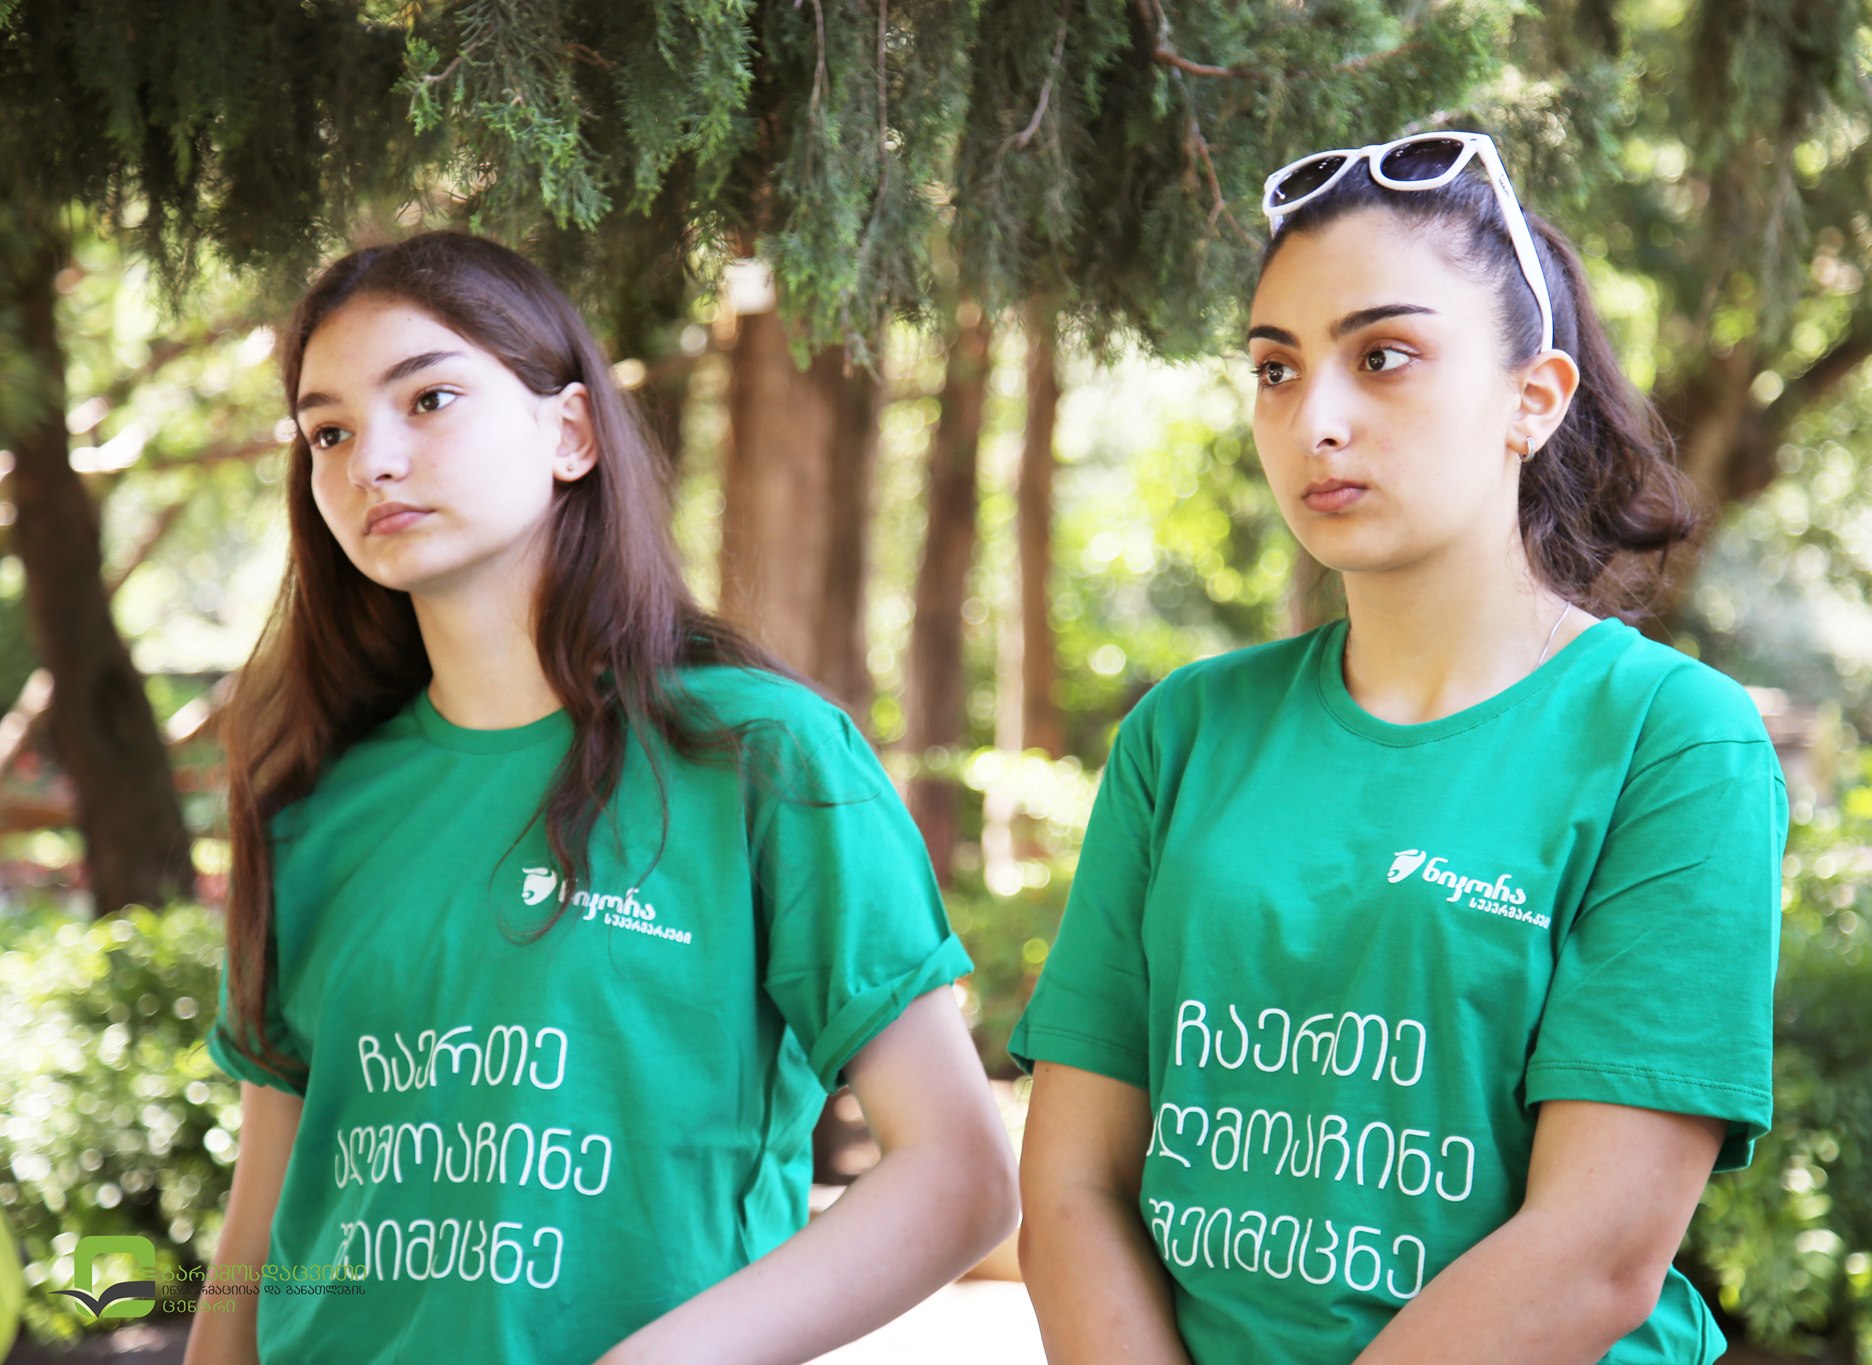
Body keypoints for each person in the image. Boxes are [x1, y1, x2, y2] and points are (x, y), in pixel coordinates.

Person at [1011, 132, 1788, 1363]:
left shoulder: (1670, 738)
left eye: (1382, 357)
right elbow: (1072, 1189)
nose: (1313, 420)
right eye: (1275, 370)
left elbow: (1595, 1251)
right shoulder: (1185, 732)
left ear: (1532, 399)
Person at [187, 231, 1017, 1365]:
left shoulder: (760, 755)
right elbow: (262, 1229)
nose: (371, 460)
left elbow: (961, 1177)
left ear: (570, 432)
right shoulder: (309, 804)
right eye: (328, 431)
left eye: (428, 399)